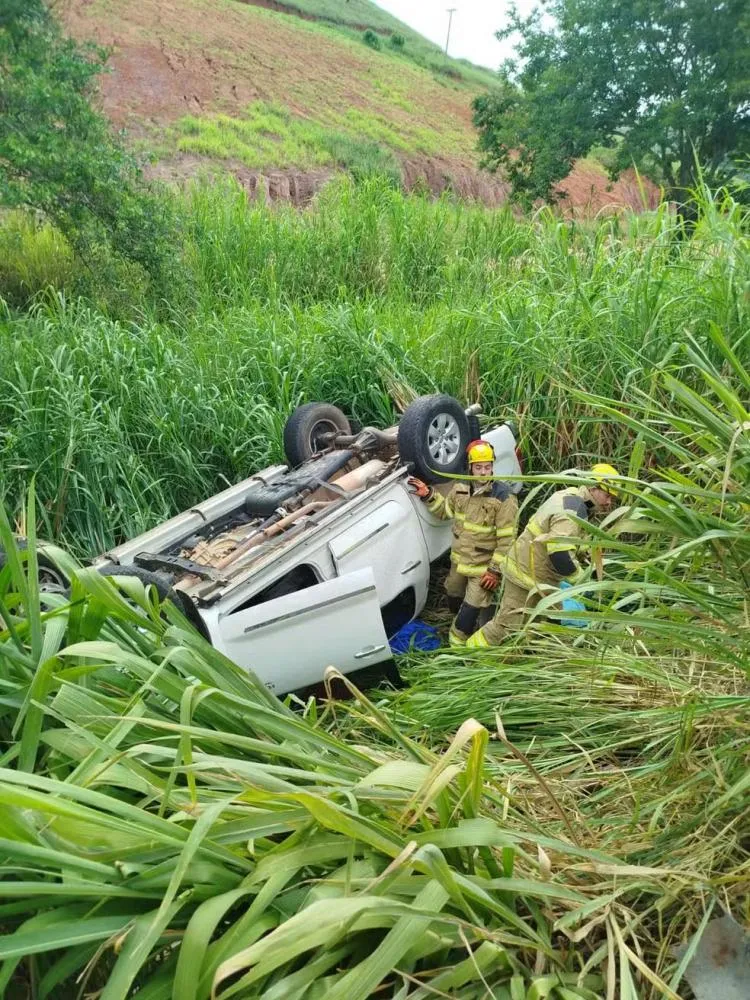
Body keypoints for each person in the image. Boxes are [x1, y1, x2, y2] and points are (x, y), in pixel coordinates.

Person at [467, 463, 621, 647]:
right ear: (593, 487)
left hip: (539, 579)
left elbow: (567, 541)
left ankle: (514, 659)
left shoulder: (573, 499)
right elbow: (560, 554)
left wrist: (589, 556)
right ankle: (468, 657)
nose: (609, 502)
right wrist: (582, 582)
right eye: (607, 495)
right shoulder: (574, 509)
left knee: (538, 626)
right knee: (504, 628)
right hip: (524, 576)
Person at [409, 440, 518, 646]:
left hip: (483, 570)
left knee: (470, 609)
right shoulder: (459, 488)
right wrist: (429, 495)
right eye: (479, 467)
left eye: (487, 467)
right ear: (470, 467)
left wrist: (494, 571)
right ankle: (465, 621)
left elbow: (507, 540)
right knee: (453, 593)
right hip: (459, 564)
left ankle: (456, 648)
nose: (484, 472)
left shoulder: (503, 498)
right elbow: (445, 512)